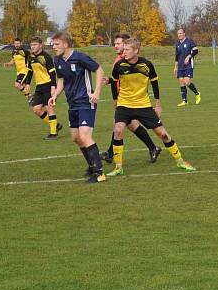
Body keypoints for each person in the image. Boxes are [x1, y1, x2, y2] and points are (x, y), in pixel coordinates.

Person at [107, 38, 196, 176]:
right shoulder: (119, 65)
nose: (124, 52)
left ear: (136, 51)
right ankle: (118, 167)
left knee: (163, 134)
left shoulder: (147, 65)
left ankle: (180, 161)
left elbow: (154, 83)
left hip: (143, 105)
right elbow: (113, 81)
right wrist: (115, 100)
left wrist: (158, 105)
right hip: (124, 104)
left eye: (127, 49)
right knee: (118, 130)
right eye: (123, 49)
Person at [48, 32, 107, 183]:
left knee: (85, 136)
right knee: (76, 138)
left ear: (65, 44)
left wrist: (97, 92)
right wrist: (55, 95)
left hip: (86, 102)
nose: (53, 47)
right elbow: (61, 80)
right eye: (53, 44)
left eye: (56, 44)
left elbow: (99, 70)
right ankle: (92, 165)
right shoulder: (57, 60)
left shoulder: (80, 57)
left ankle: (99, 173)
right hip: (72, 103)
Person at [100, 33, 162, 164]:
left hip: (131, 101)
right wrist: (110, 81)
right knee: (130, 125)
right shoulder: (119, 60)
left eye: (118, 43)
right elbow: (118, 79)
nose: (115, 46)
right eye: (115, 43)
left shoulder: (125, 60)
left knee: (122, 126)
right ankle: (152, 148)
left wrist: (115, 99)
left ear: (126, 45)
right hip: (125, 100)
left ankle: (111, 154)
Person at [22, 36, 62, 139]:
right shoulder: (30, 57)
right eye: (31, 45)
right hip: (39, 86)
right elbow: (30, 71)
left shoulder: (46, 57)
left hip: (48, 85)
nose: (33, 47)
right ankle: (55, 124)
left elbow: (52, 72)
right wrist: (27, 83)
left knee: (49, 108)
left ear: (41, 45)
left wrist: (53, 86)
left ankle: (53, 133)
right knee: (36, 109)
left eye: (35, 45)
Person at [173, 28, 201, 107]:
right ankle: (184, 101)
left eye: (181, 33)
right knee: (181, 82)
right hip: (180, 66)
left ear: (184, 33)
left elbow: (196, 50)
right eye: (178, 34)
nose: (179, 35)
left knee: (186, 82)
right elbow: (177, 56)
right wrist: (175, 67)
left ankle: (197, 94)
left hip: (188, 66)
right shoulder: (177, 44)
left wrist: (189, 56)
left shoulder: (189, 41)